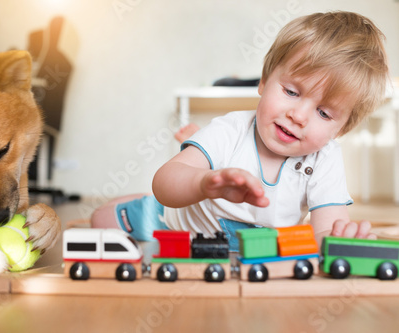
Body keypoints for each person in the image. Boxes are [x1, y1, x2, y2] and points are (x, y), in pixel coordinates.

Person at [92, 11, 389, 250]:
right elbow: (165, 181)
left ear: (342, 129)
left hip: (250, 249)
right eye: (291, 91)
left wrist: (342, 240)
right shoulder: (231, 129)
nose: (298, 116)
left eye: (323, 113)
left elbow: (324, 230)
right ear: (263, 81)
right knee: (100, 219)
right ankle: (140, 203)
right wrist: (203, 183)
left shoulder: (325, 158)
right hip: (173, 222)